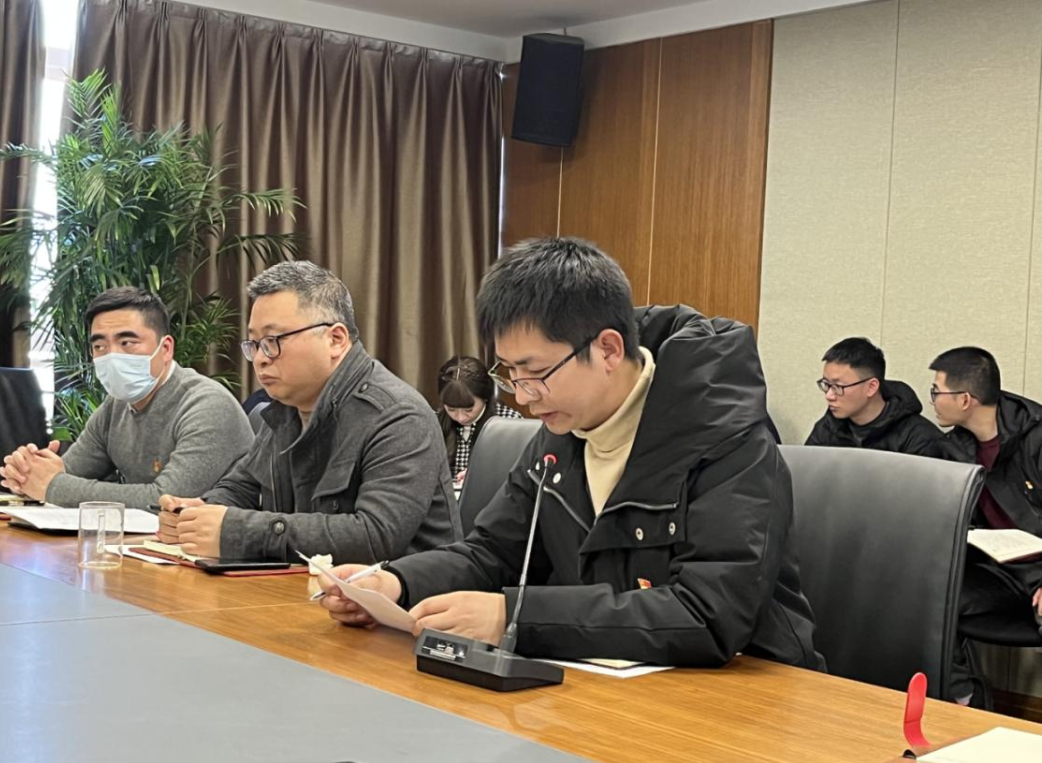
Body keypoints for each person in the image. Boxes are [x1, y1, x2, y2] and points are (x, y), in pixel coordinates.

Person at [322, 237, 824, 670]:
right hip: (605, 686)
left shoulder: (725, 437)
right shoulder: (562, 431)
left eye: (536, 372)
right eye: (510, 373)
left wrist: (514, 617)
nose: (524, 396)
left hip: (745, 697)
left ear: (608, 349)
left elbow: (708, 615)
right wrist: (393, 583)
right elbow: (493, 553)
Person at [157, 260, 461, 562]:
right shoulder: (286, 407)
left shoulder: (398, 415)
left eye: (273, 341)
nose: (260, 358)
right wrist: (198, 514)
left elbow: (375, 537)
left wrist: (237, 531)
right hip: (300, 585)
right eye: (255, 343)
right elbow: (241, 487)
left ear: (335, 340)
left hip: (396, 591)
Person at [0, 287, 252, 509]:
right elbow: (67, 472)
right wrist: (27, 473)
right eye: (100, 346)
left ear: (165, 349)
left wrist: (53, 486)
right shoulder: (116, 405)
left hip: (208, 546)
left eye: (127, 342)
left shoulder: (208, 405)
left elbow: (165, 501)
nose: (112, 356)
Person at [929, 347, 1042, 701]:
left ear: (965, 399)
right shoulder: (953, 448)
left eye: (936, 391)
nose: (932, 400)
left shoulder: (1036, 438)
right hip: (1000, 570)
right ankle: (965, 704)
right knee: (928, 598)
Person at [806, 337, 941, 456]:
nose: (829, 395)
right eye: (826, 384)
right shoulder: (828, 427)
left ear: (871, 387)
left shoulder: (920, 439)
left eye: (837, 386)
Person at [437, 355, 521, 484]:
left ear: (485, 397)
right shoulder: (434, 423)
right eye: (451, 409)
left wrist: (484, 475)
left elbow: (521, 470)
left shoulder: (510, 422)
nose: (461, 418)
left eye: (468, 410)